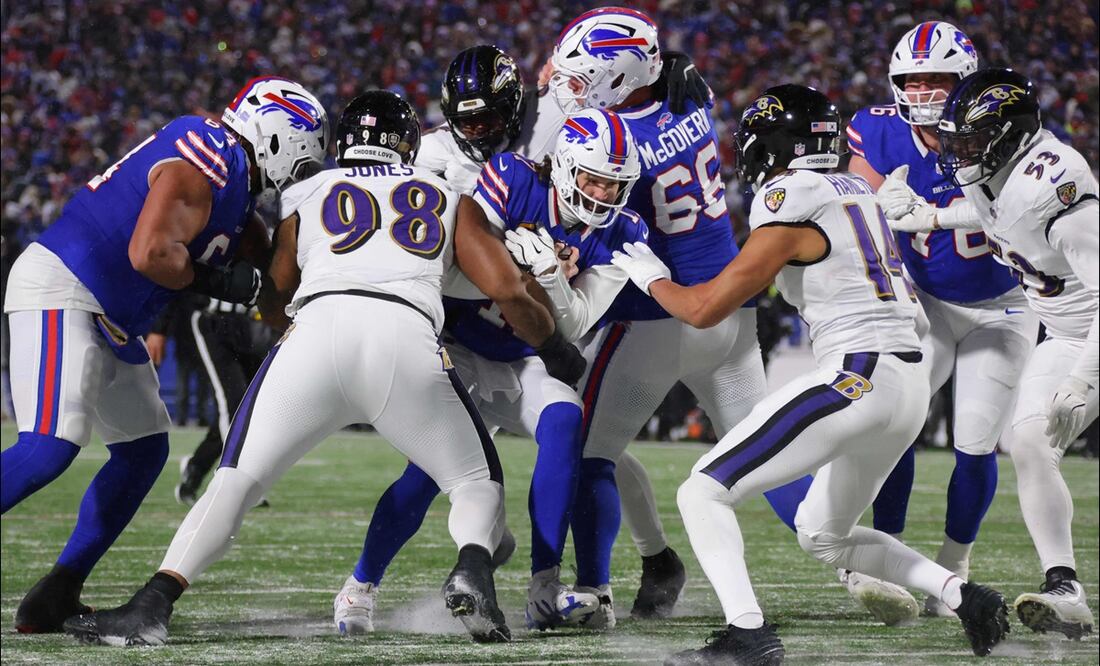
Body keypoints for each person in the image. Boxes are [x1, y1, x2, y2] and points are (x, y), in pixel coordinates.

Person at [62, 90, 584, 647]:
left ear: (341, 143)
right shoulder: (449, 195)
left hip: (316, 334)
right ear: (407, 144)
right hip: (405, 338)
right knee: (476, 482)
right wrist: (554, 346)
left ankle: (153, 603)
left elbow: (279, 286)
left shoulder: (305, 191)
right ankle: (473, 566)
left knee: (236, 481)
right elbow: (505, 288)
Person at [611, 83, 1011, 663]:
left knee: (702, 491)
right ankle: (965, 596)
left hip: (857, 373)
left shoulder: (793, 198)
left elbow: (702, 309)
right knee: (823, 535)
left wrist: (651, 277)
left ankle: (747, 633)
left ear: (775, 146)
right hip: (907, 387)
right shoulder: (858, 190)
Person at [333, 41, 715, 633]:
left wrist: (544, 280)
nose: (605, 196)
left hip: (528, 349)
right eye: (594, 180)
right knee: (428, 472)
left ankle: (550, 582)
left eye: (617, 185)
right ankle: (360, 583)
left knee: (574, 430)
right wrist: (511, 267)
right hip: (458, 339)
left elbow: (573, 323)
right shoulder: (495, 173)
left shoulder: (611, 217)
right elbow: (449, 258)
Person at [1, 76, 328, 633]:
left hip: (112, 315)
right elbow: (151, 252)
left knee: (143, 451)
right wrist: (225, 283)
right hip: (68, 284)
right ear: (281, 136)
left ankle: (57, 592)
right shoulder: (209, 152)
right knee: (48, 446)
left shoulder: (238, 196)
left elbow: (274, 286)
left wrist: (314, 323)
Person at [549, 6, 812, 620]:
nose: (572, 88)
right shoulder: (693, 101)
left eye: (584, 76)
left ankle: (595, 587)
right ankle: (855, 561)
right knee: (767, 456)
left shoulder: (616, 142)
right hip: (731, 311)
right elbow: (661, 73)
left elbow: (591, 206)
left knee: (587, 455)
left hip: (658, 314)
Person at [881, 67, 1098, 640]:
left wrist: (1082, 379)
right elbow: (993, 214)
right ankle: (1066, 589)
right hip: (1066, 331)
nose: (961, 154)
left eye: (973, 142)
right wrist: (924, 216)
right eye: (958, 141)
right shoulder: (1001, 171)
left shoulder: (1060, 193)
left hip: (1092, 334)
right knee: (1026, 442)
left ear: (1012, 136)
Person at [841, 21, 1039, 621]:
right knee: (893, 424)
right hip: (924, 302)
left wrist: (927, 215)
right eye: (913, 80)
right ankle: (887, 556)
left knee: (975, 443)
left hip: (1001, 306)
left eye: (938, 79)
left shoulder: (1004, 132)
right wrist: (873, 205)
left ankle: (954, 568)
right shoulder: (878, 131)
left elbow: (1016, 210)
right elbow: (855, 213)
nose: (924, 92)